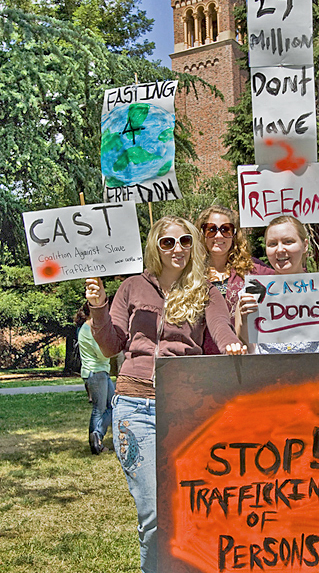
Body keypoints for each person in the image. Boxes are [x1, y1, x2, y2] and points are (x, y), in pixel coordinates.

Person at [85, 216, 246, 573]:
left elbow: (219, 325)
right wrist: (98, 307)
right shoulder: (130, 288)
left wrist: (231, 342)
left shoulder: (205, 289)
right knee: (155, 510)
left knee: (191, 507)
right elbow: (112, 345)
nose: (178, 249)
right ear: (154, 246)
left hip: (187, 407)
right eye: (168, 242)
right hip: (134, 406)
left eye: (186, 241)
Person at [236, 215, 319, 354]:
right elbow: (247, 350)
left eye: (288, 241)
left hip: (318, 374)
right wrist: (245, 322)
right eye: (272, 244)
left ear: (305, 245)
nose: (279, 249)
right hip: (268, 374)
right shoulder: (250, 294)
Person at [195, 205, 272, 354]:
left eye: (226, 229)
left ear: (234, 234)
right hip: (202, 360)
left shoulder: (252, 269)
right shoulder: (191, 274)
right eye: (211, 229)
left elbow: (286, 281)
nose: (218, 236)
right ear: (202, 233)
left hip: (244, 356)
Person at [74, 302, 114, 454]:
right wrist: (114, 346)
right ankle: (96, 442)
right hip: (95, 373)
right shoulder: (88, 329)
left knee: (113, 404)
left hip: (101, 372)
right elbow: (103, 353)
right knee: (99, 409)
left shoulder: (90, 327)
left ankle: (96, 437)